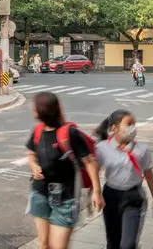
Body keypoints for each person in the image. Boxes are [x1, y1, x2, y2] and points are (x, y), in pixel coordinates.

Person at [25, 92, 103, 249]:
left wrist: (97, 191)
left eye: (34, 107)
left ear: (42, 111)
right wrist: (33, 166)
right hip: (40, 193)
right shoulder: (38, 131)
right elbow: (31, 154)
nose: (32, 109)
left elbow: (89, 162)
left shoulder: (70, 133)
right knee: (44, 244)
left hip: (66, 199)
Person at [94, 109, 153, 249]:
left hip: (133, 197)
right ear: (114, 127)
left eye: (134, 124)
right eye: (129, 124)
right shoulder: (102, 148)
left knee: (128, 244)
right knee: (113, 242)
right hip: (111, 197)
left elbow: (150, 176)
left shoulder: (142, 149)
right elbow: (94, 170)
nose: (133, 128)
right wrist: (95, 193)